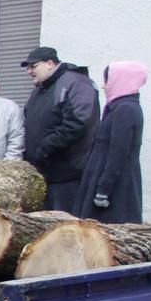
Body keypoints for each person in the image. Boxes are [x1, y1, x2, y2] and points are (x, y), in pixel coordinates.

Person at [21, 45, 99, 212]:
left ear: (50, 63)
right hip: (45, 172)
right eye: (28, 67)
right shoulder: (40, 89)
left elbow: (79, 122)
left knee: (66, 226)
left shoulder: (76, 82)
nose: (29, 71)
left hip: (68, 173)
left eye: (33, 66)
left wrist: (46, 146)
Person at [78, 62, 148, 223]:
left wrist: (103, 189)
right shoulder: (119, 107)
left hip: (116, 190)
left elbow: (118, 153)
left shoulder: (126, 109)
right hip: (106, 180)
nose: (103, 86)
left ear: (121, 80)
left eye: (107, 80)